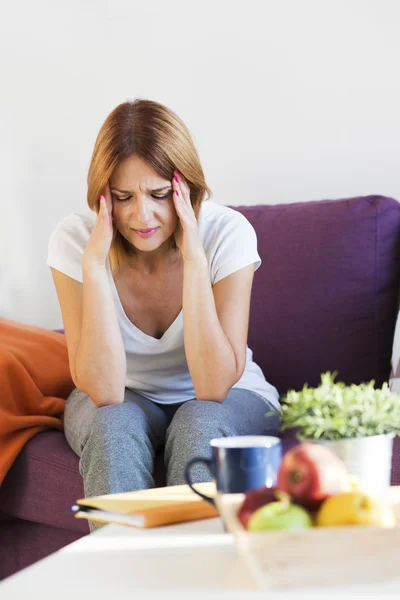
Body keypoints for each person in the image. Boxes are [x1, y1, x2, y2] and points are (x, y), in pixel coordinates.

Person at [46, 99, 281, 521]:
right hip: (124, 394)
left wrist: (194, 260)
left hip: (232, 394)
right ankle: (123, 579)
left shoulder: (226, 234)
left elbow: (212, 388)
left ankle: (194, 581)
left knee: (199, 421)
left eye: (159, 194)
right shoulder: (75, 239)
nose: (142, 215)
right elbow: (104, 392)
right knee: (112, 426)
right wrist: (95, 268)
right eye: (123, 197)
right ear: (102, 196)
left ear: (187, 189)